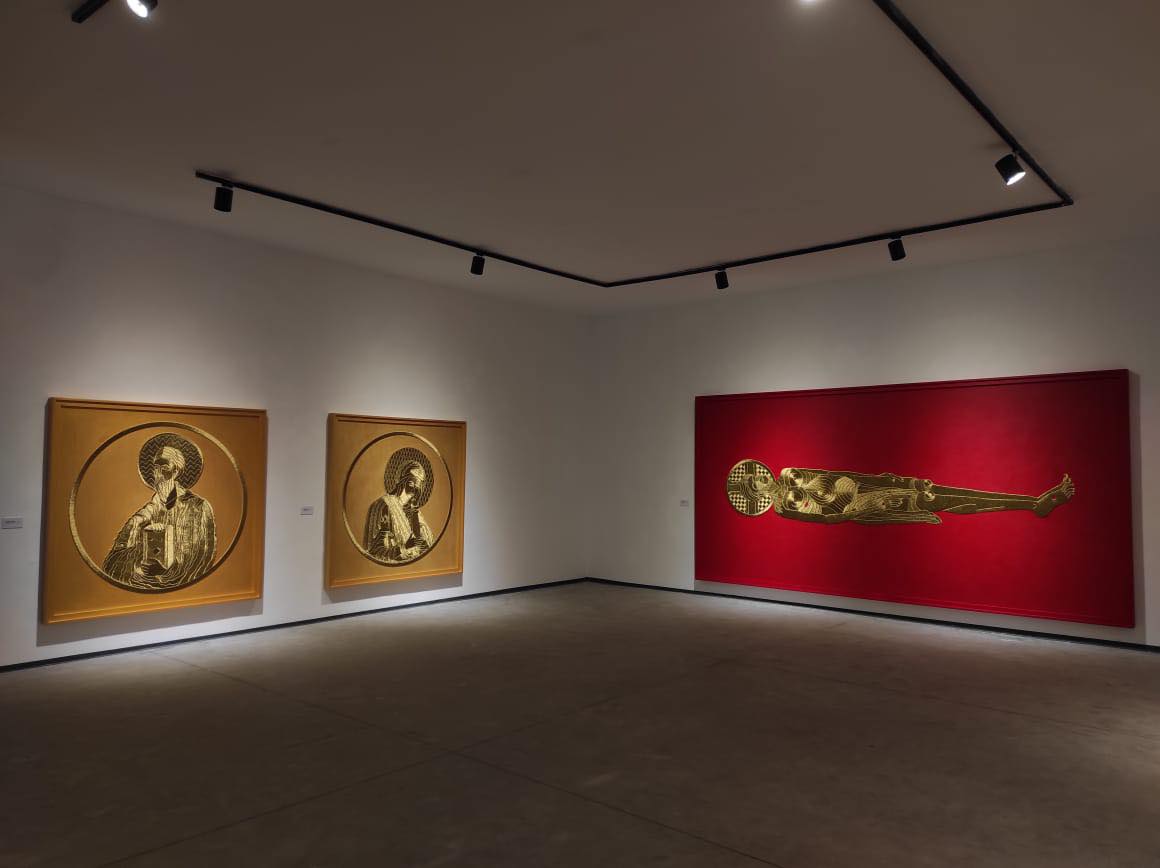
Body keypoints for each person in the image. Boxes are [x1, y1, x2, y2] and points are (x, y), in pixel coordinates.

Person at [727, 460, 1074, 524]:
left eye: (757, 477)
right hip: (863, 503)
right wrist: (866, 507)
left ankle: (1033, 502)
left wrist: (890, 479)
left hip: (868, 486)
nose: (761, 481)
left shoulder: (791, 472)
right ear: (757, 495)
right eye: (755, 485)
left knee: (943, 491)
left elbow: (838, 475)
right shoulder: (782, 507)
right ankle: (1033, 505)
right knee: (940, 502)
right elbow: (829, 519)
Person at [103, 435, 217, 590]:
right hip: (144, 585)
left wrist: (167, 568)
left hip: (183, 586)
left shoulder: (198, 507)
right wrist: (140, 558)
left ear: (176, 471)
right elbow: (117, 559)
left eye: (164, 467)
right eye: (156, 467)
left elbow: (201, 556)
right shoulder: (148, 511)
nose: (158, 473)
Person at [364, 458, 435, 563]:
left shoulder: (416, 513)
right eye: (411, 483)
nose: (414, 489)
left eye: (418, 486)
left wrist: (423, 545)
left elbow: (427, 548)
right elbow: (375, 552)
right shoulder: (384, 506)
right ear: (401, 480)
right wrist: (404, 548)